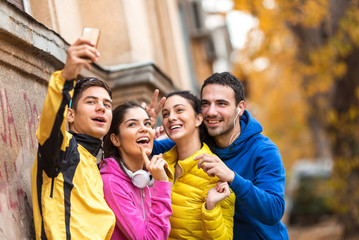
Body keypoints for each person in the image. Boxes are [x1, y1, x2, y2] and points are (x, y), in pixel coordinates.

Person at [31, 38, 115, 239]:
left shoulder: (94, 162)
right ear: (70, 115)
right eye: (91, 101)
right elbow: (50, 125)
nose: (101, 107)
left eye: (107, 104)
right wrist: (66, 77)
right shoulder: (64, 149)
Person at [195, 72, 289, 239]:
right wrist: (146, 127)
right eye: (205, 104)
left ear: (240, 108)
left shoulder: (263, 150)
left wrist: (232, 178)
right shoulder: (198, 142)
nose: (211, 111)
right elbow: (155, 148)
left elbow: (274, 210)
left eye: (221, 104)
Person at [160, 91, 235, 239]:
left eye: (179, 110)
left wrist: (211, 207)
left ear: (198, 119)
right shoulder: (159, 166)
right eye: (165, 114)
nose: (171, 118)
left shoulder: (215, 174)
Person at [100, 101, 172, 240]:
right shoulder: (110, 183)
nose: (144, 129)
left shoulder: (148, 177)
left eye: (147, 124)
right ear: (115, 139)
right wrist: (162, 184)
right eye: (132, 124)